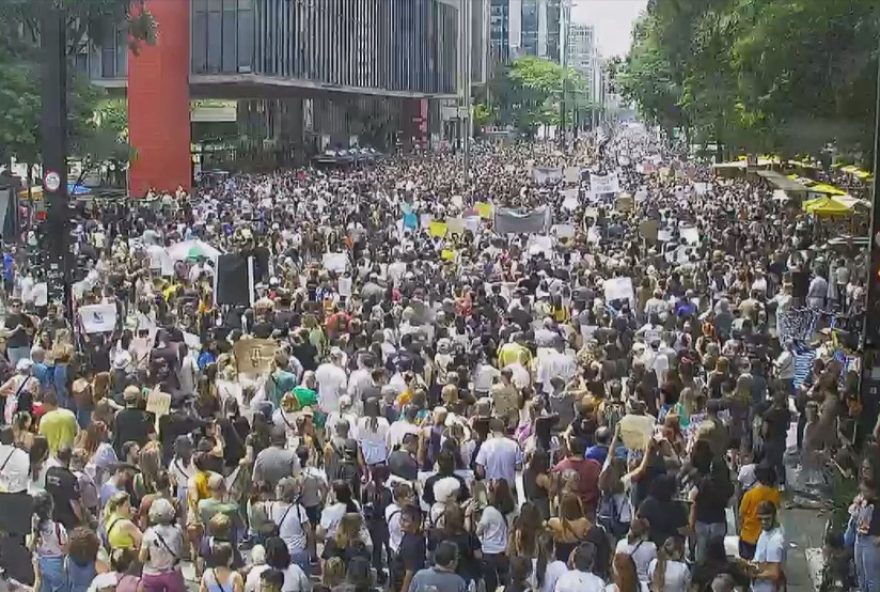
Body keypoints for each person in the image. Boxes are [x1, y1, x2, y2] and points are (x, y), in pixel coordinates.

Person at [139, 497, 186, 592]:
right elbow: (182, 550)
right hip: (172, 573)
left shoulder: (149, 533)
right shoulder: (177, 530)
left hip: (152, 574)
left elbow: (142, 558)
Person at [738, 464, 780, 560]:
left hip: (748, 536)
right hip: (765, 537)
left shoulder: (749, 495)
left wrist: (740, 531)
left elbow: (741, 515)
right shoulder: (775, 494)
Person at [749, 500, 786, 592]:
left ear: (774, 516)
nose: (763, 522)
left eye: (767, 519)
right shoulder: (769, 531)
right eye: (760, 519)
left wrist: (754, 575)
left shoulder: (775, 541)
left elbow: (774, 573)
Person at [38, 391, 78, 456]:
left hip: (51, 457)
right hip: (68, 457)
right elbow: (76, 433)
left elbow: (41, 440)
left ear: (46, 404)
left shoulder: (44, 419)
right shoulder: (70, 415)